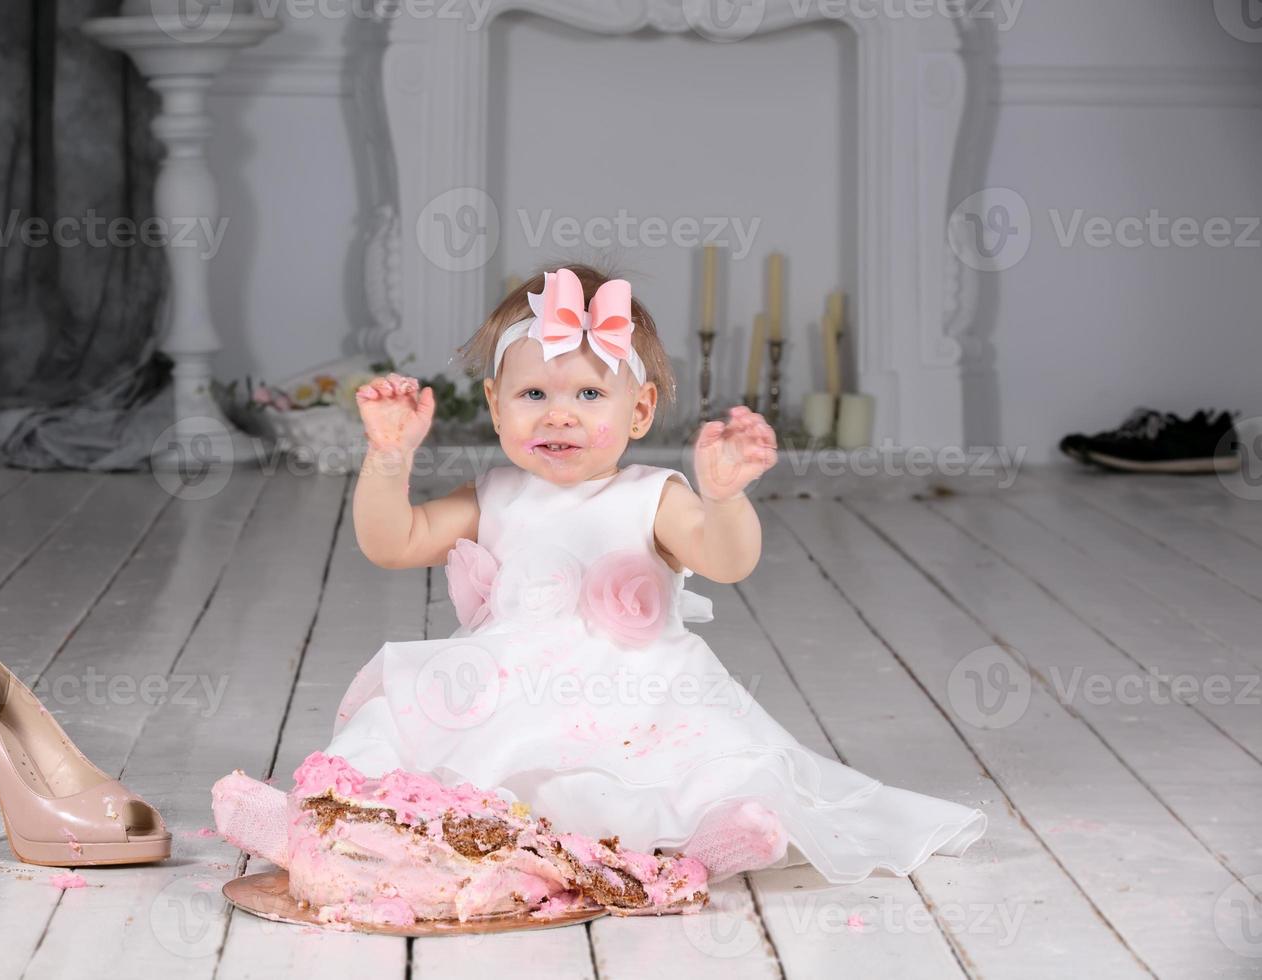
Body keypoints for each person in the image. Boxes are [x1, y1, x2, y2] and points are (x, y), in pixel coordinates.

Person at [330, 264, 986, 882]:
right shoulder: (492, 494)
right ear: (496, 407)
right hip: (510, 689)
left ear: (639, 411)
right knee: (400, 723)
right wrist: (389, 460)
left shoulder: (652, 495)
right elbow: (394, 542)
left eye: (590, 394)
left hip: (637, 695)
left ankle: (707, 837)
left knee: (674, 769)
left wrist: (724, 498)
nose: (559, 413)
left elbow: (728, 561)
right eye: (533, 394)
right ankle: (352, 815)